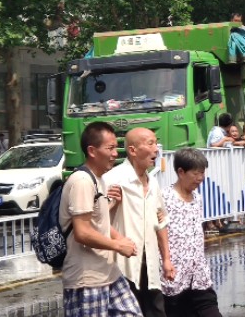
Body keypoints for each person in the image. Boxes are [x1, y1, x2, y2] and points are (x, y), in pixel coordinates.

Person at [62, 121, 142, 317]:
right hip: (87, 279)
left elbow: (99, 223)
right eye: (111, 148)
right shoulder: (82, 181)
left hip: (108, 274)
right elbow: (82, 232)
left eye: (116, 147)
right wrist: (117, 246)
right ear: (92, 150)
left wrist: (119, 238)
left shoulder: (99, 179)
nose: (116, 153)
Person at [104, 127, 174, 317]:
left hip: (150, 266)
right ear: (133, 150)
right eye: (150, 144)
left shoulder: (153, 182)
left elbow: (161, 221)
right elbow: (96, 221)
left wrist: (166, 259)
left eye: (155, 143)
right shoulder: (113, 179)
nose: (156, 149)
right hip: (123, 268)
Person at [161, 149, 222, 317]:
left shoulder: (197, 198)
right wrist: (166, 260)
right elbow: (160, 230)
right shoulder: (165, 197)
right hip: (175, 275)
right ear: (181, 172)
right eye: (196, 174)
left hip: (198, 275)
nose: (200, 178)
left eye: (202, 173)